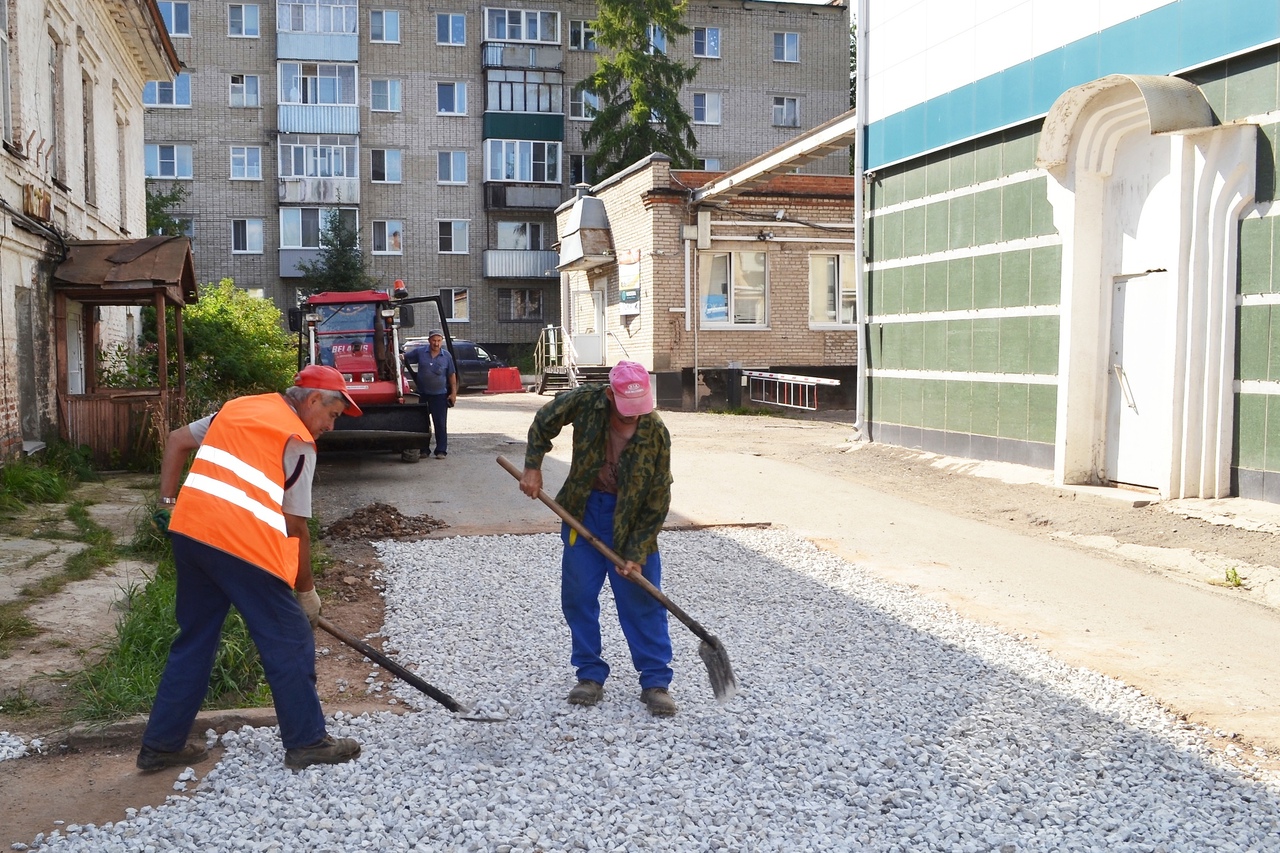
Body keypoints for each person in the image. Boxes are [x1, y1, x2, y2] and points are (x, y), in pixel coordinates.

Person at [138, 365, 363, 772]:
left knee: (195, 639)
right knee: (289, 638)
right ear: (312, 399)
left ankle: (162, 745)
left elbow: (175, 441)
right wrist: (306, 592)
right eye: (332, 415)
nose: (331, 426)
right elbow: (295, 526)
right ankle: (307, 742)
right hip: (241, 546)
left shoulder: (238, 408)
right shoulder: (297, 441)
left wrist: (166, 503)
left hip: (191, 535)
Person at [518, 361, 677, 717]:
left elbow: (658, 497)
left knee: (643, 599)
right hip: (584, 511)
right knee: (578, 597)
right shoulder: (587, 401)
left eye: (639, 412)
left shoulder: (655, 431)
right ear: (610, 395)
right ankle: (590, 674)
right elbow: (545, 420)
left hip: (632, 520)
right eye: (626, 413)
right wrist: (533, 465)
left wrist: (636, 551)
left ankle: (655, 681)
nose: (633, 419)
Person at [403, 329, 457, 459]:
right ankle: (424, 450)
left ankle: (441, 450)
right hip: (422, 394)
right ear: (429, 341)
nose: (436, 343)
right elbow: (404, 357)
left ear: (441, 341)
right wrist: (398, 356)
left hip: (439, 396)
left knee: (440, 423)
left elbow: (451, 375)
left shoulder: (447, 356)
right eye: (434, 340)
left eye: (438, 341)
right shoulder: (420, 352)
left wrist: (453, 393)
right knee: (422, 423)